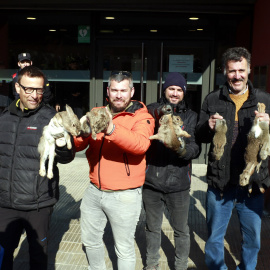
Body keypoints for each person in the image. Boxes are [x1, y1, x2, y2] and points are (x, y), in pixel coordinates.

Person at [196, 47, 270, 270]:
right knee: (214, 240)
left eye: (241, 70)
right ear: (224, 72)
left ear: (249, 71)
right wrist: (207, 127)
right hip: (221, 183)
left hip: (252, 184)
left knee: (253, 241)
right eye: (232, 71)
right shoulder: (212, 99)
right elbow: (199, 135)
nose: (237, 75)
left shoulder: (264, 99)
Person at [73, 71, 155, 270]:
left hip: (124, 195)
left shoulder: (142, 116)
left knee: (124, 248)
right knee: (90, 241)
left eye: (123, 91)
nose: (119, 95)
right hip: (94, 191)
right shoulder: (97, 111)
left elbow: (141, 144)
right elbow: (78, 145)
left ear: (132, 91)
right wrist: (79, 134)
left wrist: (111, 129)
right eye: (115, 90)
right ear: (108, 91)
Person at [0, 66, 75, 270]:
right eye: (29, 89)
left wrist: (62, 145)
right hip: (5, 204)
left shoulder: (51, 118)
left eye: (39, 90)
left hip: (37, 205)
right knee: (2, 257)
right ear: (17, 87)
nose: (34, 95)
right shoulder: (4, 117)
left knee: (38, 259)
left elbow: (67, 157)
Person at [142, 72, 200, 270]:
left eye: (179, 90)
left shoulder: (191, 116)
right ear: (164, 90)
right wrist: (163, 112)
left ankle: (181, 265)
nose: (175, 93)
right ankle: (151, 265)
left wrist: (183, 150)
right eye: (171, 89)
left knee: (181, 230)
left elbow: (195, 147)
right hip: (152, 181)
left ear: (183, 92)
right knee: (152, 228)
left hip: (179, 184)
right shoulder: (150, 110)